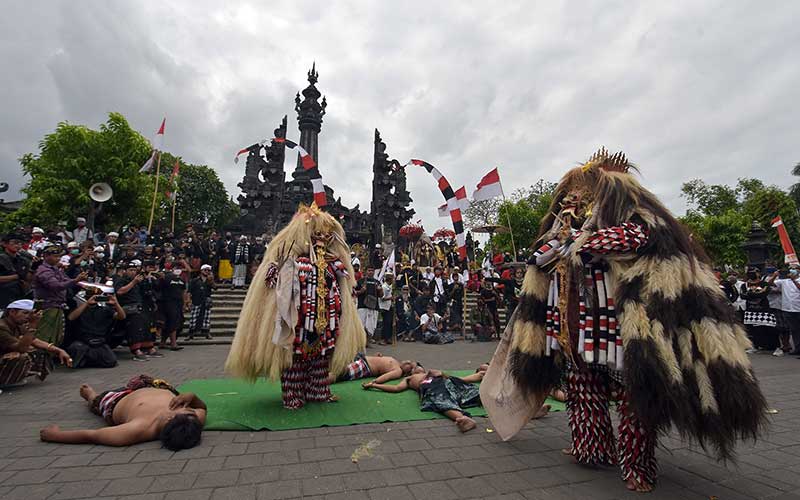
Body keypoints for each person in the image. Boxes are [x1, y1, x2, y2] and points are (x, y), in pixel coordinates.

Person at [486, 148, 767, 492]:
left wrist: (582, 239)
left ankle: (637, 464)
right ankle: (590, 448)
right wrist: (566, 236)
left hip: (619, 332)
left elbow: (631, 240)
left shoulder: (634, 220)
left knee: (633, 399)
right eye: (570, 198)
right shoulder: (564, 233)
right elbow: (540, 258)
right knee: (582, 392)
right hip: (574, 333)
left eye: (582, 196)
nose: (573, 201)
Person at [225, 204, 365, 410]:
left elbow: (344, 285)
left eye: (327, 235)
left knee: (321, 357)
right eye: (317, 234)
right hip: (298, 320)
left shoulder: (334, 264)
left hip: (326, 320)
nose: (322, 239)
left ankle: (318, 391)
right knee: (295, 358)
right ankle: (293, 395)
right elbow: (276, 284)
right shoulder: (293, 261)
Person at [39, 374, 206, 450]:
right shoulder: (193, 419)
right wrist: (192, 396)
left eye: (182, 410)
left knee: (98, 402)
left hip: (115, 401)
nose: (185, 407)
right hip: (151, 386)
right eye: (187, 408)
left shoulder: (136, 429)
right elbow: (202, 408)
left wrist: (54, 436)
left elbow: (91, 435)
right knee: (143, 379)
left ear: (169, 418)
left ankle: (91, 396)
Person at [364, 368, 485, 432]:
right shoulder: (409, 378)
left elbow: (458, 379)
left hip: (445, 382)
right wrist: (374, 385)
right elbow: (396, 388)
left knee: (468, 391)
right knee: (440, 400)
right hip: (431, 388)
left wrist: (438, 373)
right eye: (413, 367)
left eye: (417, 365)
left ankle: (491, 399)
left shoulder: (432, 372)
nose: (416, 367)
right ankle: (462, 418)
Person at [0, 299, 72, 386]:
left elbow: (34, 341)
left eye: (29, 314)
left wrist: (58, 350)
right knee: (21, 356)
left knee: (39, 351)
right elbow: (21, 348)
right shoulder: (2, 327)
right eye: (25, 313)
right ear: (12, 312)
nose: (28, 317)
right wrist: (33, 325)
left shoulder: (18, 324)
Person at [33, 244, 87, 345]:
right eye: (55, 256)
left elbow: (66, 280)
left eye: (59, 256)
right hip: (47, 306)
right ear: (46, 256)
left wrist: (81, 282)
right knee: (45, 336)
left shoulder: (56, 269)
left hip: (57, 305)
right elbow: (56, 286)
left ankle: (51, 357)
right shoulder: (43, 270)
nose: (58, 259)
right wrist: (76, 280)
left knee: (56, 336)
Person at [65, 286, 126, 368]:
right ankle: (85, 360)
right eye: (90, 296)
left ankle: (88, 361)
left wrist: (116, 304)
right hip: (83, 342)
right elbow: (71, 317)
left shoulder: (105, 310)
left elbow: (122, 317)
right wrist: (86, 303)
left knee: (111, 361)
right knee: (76, 348)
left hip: (99, 343)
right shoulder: (81, 310)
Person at [115, 261, 160, 361]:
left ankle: (148, 347)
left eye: (135, 270)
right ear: (124, 271)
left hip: (140, 306)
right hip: (127, 307)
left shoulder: (139, 281)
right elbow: (120, 291)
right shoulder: (121, 280)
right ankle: (136, 350)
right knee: (136, 326)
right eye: (130, 270)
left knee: (148, 325)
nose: (133, 272)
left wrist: (148, 281)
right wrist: (133, 282)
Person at [768, 268, 800, 355]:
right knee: (794, 330)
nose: (791, 271)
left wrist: (794, 280)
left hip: (798, 308)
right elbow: (770, 284)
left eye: (794, 269)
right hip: (788, 309)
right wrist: (775, 275)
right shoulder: (784, 281)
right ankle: (797, 348)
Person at [330, 353, 421, 383]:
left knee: (339, 373)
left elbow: (386, 377)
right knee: (333, 364)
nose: (408, 362)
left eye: (410, 366)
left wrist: (374, 383)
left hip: (364, 367)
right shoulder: (396, 361)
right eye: (410, 361)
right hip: (362, 358)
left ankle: (319, 383)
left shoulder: (398, 371)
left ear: (407, 372)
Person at [158, 268, 187, 350]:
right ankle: (173, 343)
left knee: (178, 322)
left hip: (178, 303)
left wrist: (185, 303)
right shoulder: (166, 278)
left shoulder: (181, 280)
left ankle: (163, 342)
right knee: (172, 322)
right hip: (167, 302)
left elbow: (183, 291)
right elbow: (158, 287)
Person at [0, 233, 31, 310]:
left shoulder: (23, 260)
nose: (18, 245)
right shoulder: (1, 259)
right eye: (15, 243)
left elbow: (28, 278)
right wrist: (16, 276)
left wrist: (33, 269)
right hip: (3, 295)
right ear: (4, 244)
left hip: (19, 295)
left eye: (20, 243)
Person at [188, 264, 215, 340]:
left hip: (206, 300)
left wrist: (212, 280)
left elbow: (215, 287)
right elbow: (189, 291)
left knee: (206, 317)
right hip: (196, 300)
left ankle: (206, 332)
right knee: (194, 317)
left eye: (208, 270)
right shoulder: (195, 280)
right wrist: (188, 301)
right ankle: (191, 333)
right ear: (201, 271)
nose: (207, 272)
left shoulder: (209, 280)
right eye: (205, 270)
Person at [355, 266, 380, 342]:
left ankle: (367, 342)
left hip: (374, 307)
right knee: (361, 326)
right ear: (366, 271)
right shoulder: (360, 281)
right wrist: (361, 291)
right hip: (362, 306)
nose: (371, 272)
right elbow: (353, 293)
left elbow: (381, 295)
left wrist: (380, 290)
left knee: (371, 327)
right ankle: (361, 342)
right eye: (369, 270)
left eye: (372, 271)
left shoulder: (377, 282)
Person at [377, 272, 394, 345]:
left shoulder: (390, 287)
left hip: (389, 306)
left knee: (389, 323)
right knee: (386, 323)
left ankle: (388, 338)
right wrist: (390, 298)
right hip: (384, 307)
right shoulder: (384, 287)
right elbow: (382, 298)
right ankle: (383, 338)